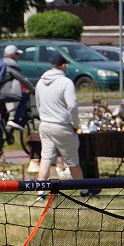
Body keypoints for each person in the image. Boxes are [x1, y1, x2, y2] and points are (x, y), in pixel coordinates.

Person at [34, 53, 83, 182]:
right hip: (62, 126)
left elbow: (38, 105)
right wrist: (75, 124)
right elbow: (72, 106)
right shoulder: (66, 82)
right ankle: (83, 189)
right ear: (63, 65)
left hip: (45, 125)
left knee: (46, 159)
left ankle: (41, 190)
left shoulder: (40, 82)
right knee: (73, 161)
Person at [0, 44, 35, 133]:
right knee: (25, 96)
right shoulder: (11, 64)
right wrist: (33, 90)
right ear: (12, 55)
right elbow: (23, 79)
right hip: (2, 94)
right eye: (17, 54)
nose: (18, 56)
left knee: (3, 117)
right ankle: (15, 120)